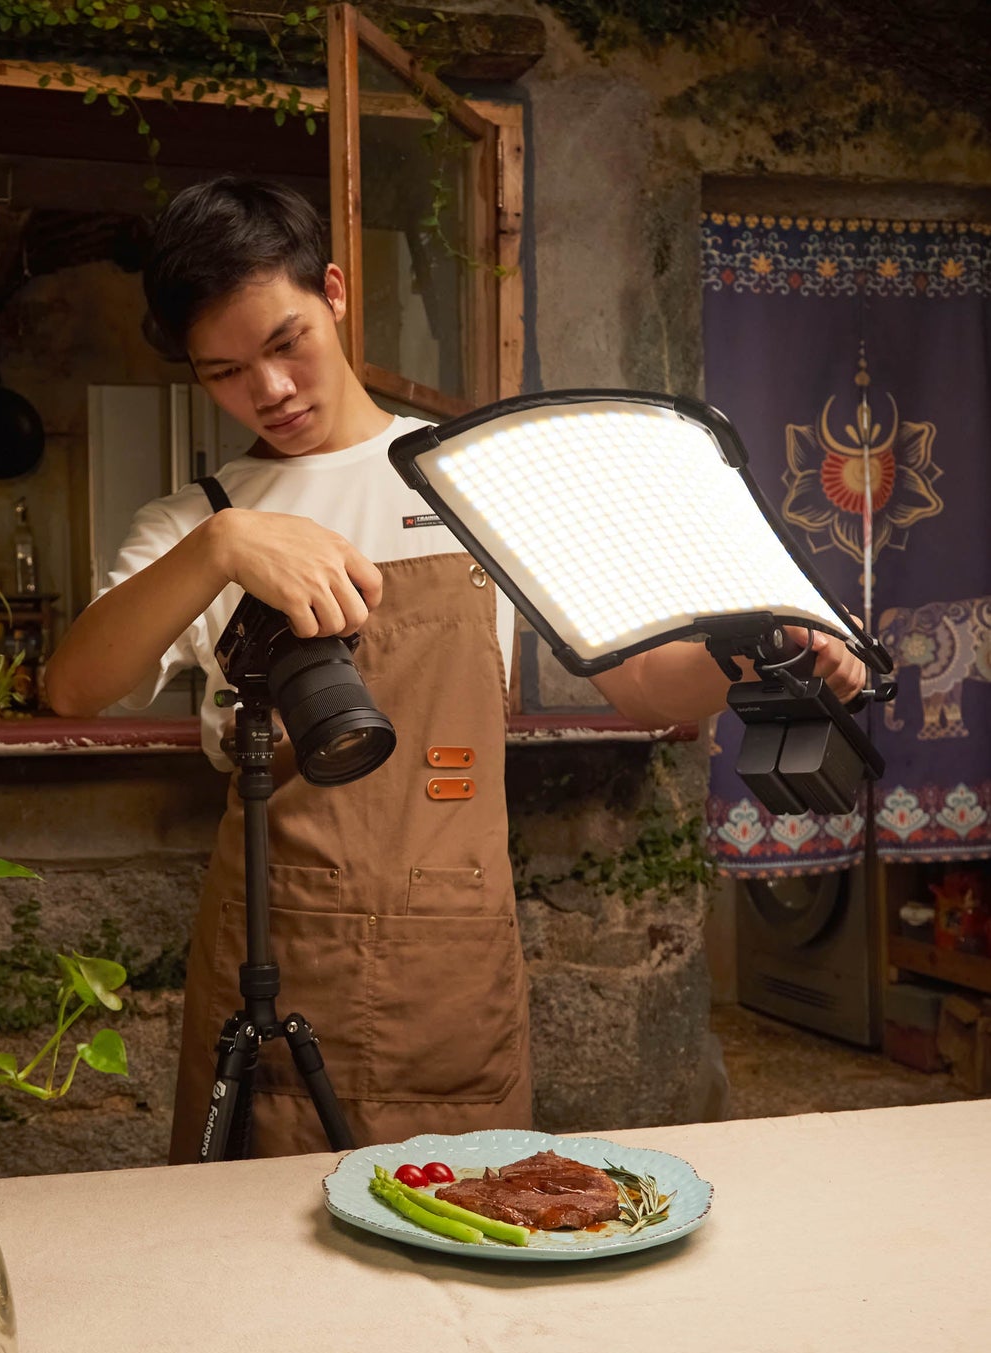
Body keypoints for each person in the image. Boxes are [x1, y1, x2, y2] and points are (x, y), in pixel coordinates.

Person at [43, 177, 868, 1163]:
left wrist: (759, 656)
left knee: (465, 1218)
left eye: (284, 341)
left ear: (335, 293)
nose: (267, 390)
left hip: (452, 946)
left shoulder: (474, 480)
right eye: (222, 372)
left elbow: (646, 688)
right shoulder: (203, 517)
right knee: (253, 1247)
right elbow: (74, 686)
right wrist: (221, 547)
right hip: (277, 946)